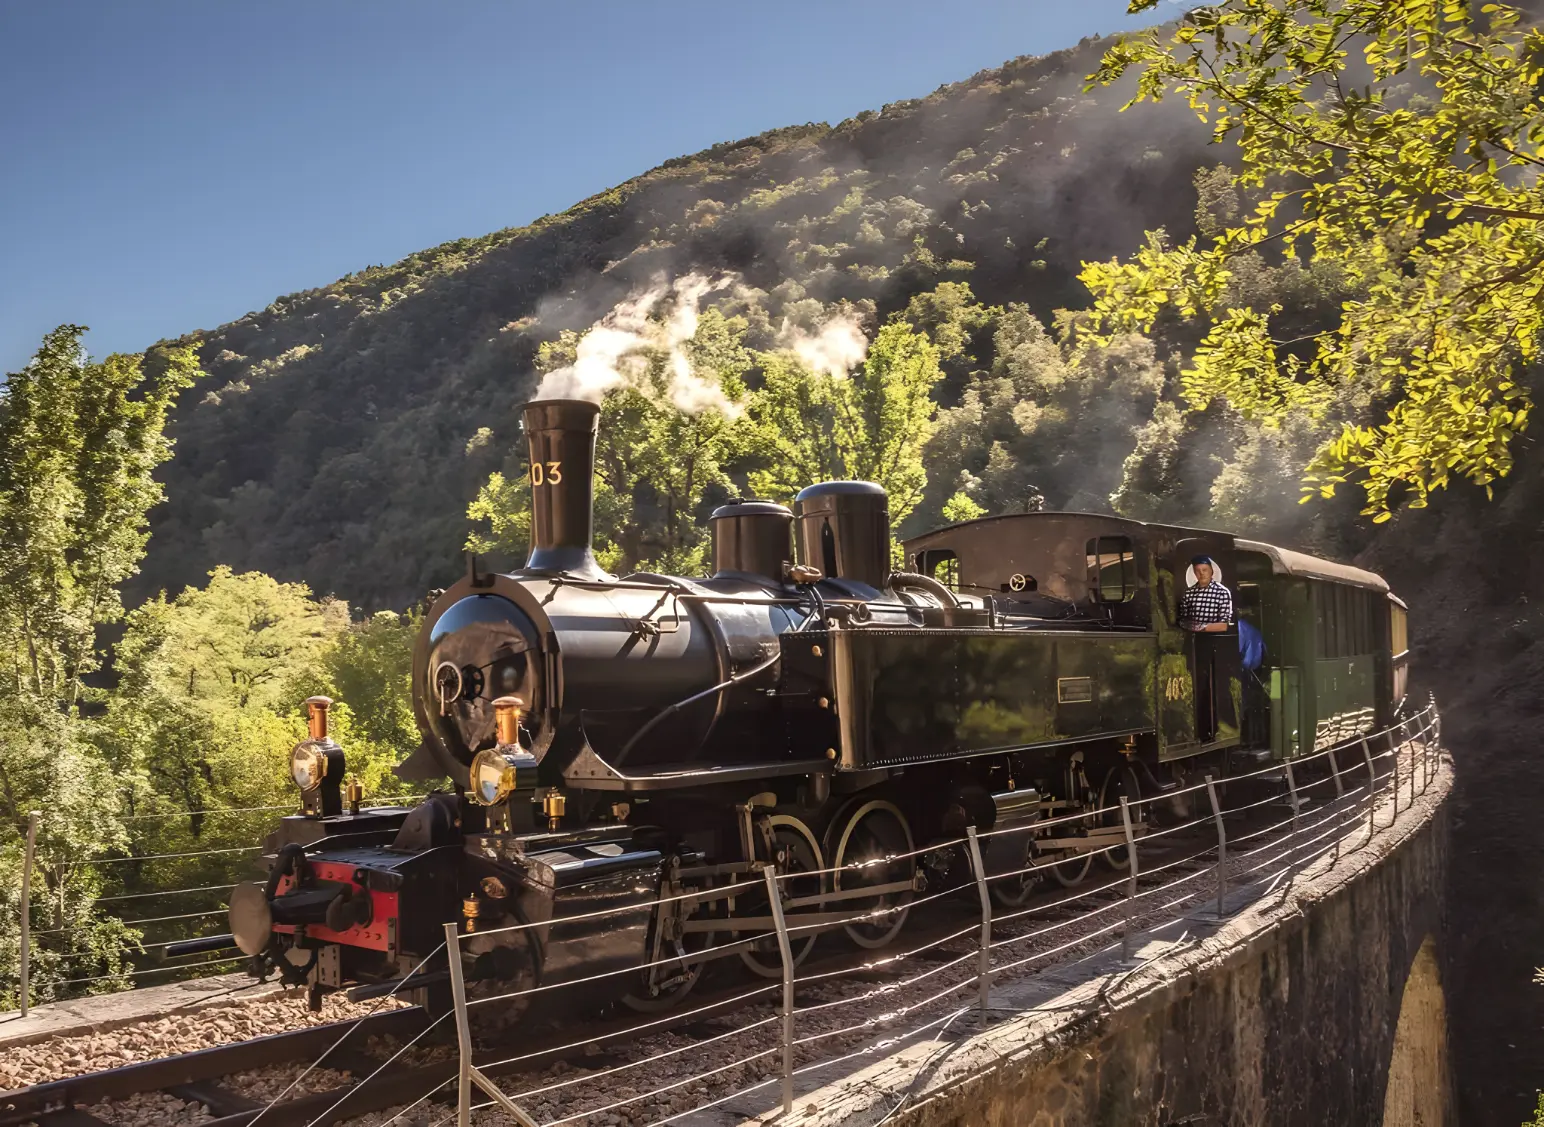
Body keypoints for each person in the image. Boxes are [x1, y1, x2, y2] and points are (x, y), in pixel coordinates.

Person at [1179, 556, 1232, 632]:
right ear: (1194, 573)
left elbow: (1224, 625)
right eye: (1197, 571)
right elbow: (1182, 620)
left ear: (1211, 571)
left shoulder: (1222, 592)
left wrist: (1200, 628)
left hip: (1215, 638)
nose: (1201, 573)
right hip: (1192, 638)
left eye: (1204, 570)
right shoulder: (1188, 593)